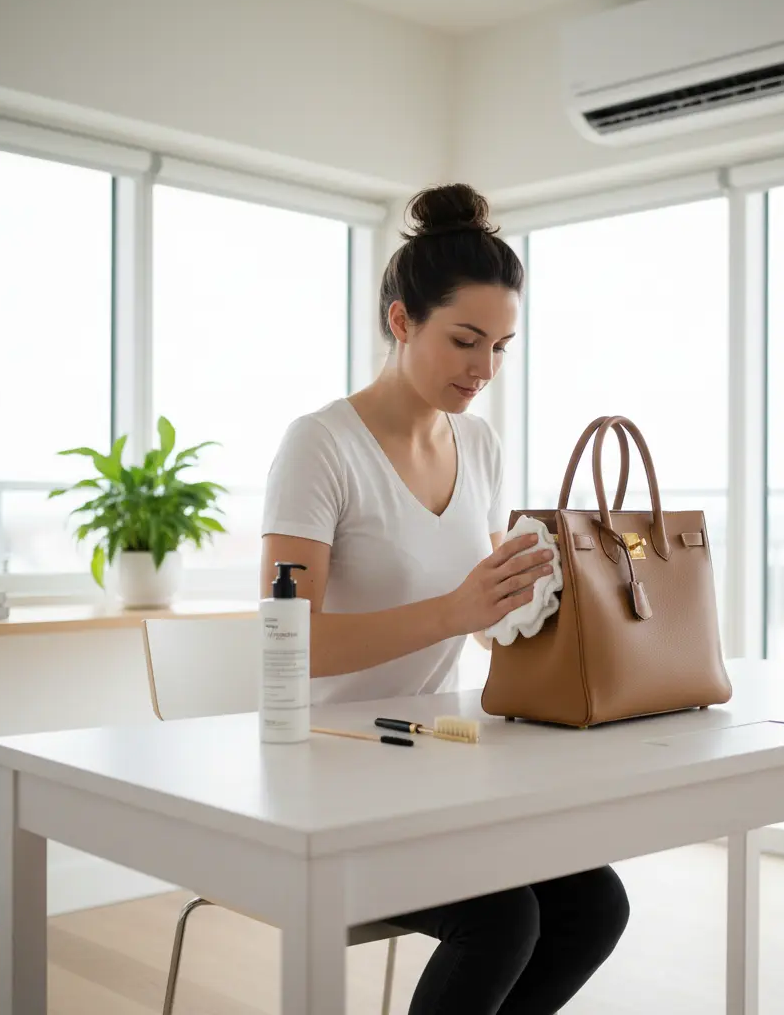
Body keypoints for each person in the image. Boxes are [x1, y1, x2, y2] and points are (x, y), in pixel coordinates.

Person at [260, 183, 629, 1014]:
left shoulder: (480, 443)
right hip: (324, 770)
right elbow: (291, 644)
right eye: (466, 341)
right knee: (503, 918)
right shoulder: (320, 445)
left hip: (429, 761)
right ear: (401, 321)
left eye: (502, 347)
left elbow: (487, 624)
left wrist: (533, 606)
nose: (484, 370)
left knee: (595, 904)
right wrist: (459, 611)